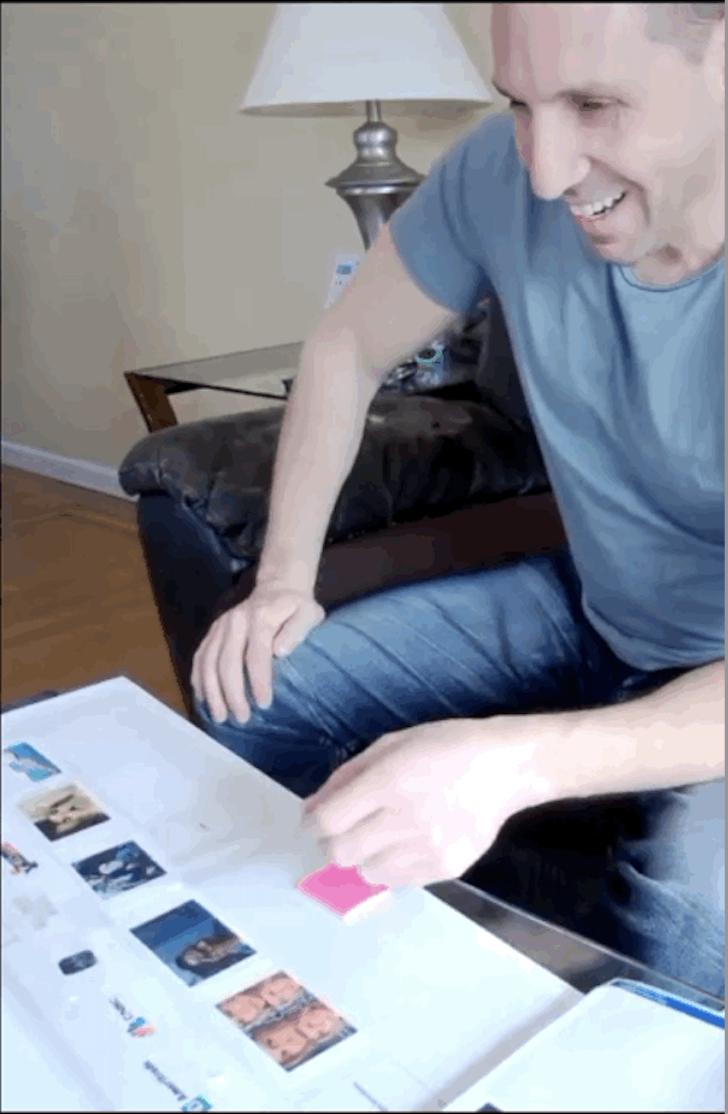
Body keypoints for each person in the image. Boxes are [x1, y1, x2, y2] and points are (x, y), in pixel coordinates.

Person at [191, 4, 725, 997]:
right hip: (594, 609)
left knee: (699, 910)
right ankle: (374, 984)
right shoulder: (494, 173)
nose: (545, 171)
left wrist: (515, 763)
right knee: (257, 693)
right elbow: (345, 344)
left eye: (594, 104)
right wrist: (282, 581)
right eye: (518, 102)